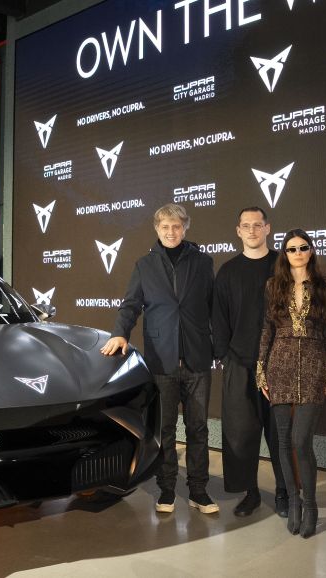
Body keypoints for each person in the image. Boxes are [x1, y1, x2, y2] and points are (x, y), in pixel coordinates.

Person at [100, 204, 218, 515]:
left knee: (198, 429)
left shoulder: (203, 262)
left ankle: (199, 491)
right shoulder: (144, 265)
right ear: (157, 229)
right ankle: (166, 490)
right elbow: (130, 305)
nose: (171, 232)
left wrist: (219, 348)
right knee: (164, 429)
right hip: (161, 361)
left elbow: (214, 307)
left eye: (176, 226)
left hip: (197, 359)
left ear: (185, 228)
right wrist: (120, 333)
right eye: (165, 227)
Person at [256, 229, 326, 538]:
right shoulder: (273, 286)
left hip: (314, 364)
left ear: (311, 251)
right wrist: (261, 370)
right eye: (292, 249)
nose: (298, 253)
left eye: (303, 247)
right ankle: (293, 501)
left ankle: (311, 506)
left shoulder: (324, 287)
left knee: (301, 441)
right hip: (280, 364)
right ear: (285, 254)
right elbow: (267, 329)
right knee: (282, 440)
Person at [212, 207, 286, 517]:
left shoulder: (283, 265)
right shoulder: (228, 271)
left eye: (258, 225)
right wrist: (226, 357)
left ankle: (284, 492)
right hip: (240, 363)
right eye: (246, 226)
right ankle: (250, 492)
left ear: (268, 228)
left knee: (281, 434)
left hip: (278, 364)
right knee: (240, 434)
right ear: (238, 231)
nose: (252, 230)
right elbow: (219, 318)